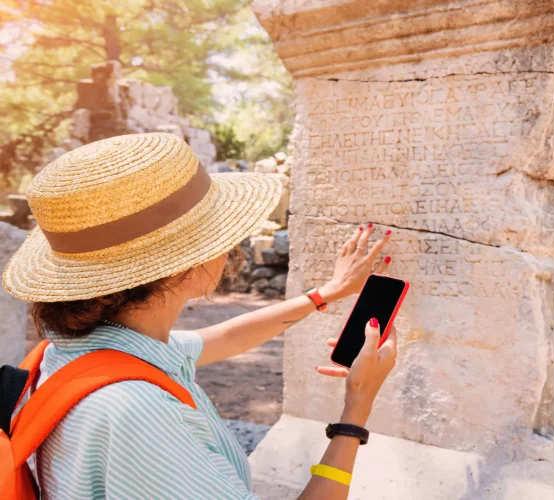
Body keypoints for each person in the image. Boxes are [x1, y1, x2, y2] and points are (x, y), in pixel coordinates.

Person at [2, 133, 398, 499]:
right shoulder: (142, 413)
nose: (230, 244)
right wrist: (355, 412)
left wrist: (323, 294)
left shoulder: (73, 354)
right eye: (217, 233)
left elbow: (226, 338)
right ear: (184, 266)